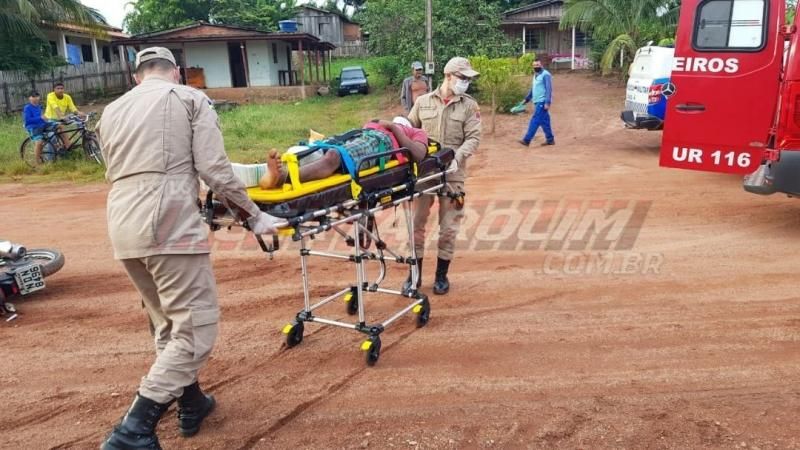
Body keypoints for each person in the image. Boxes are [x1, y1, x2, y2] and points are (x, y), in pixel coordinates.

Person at [96, 47, 280, 450]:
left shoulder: (111, 111)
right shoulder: (189, 98)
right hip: (168, 221)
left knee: (166, 323)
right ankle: (134, 429)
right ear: (177, 73)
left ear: (136, 77)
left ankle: (191, 401)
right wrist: (253, 215)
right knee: (196, 329)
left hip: (122, 224)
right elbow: (213, 167)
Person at [407, 57, 481, 295]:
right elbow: (409, 131)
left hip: (453, 174)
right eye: (463, 78)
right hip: (424, 173)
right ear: (449, 76)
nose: (466, 82)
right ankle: (414, 275)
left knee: (449, 227)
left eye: (469, 79)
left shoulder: (469, 106)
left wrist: (457, 157)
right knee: (416, 224)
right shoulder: (423, 102)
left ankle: (441, 275)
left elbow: (473, 138)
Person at [258, 117, 429, 189]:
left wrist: (393, 127)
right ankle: (272, 171)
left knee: (334, 156)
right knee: (316, 149)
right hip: (359, 134)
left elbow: (419, 154)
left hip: (381, 142)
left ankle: (282, 178)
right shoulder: (380, 122)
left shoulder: (414, 131)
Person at [22, 90, 66, 163]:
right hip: (33, 127)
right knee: (39, 142)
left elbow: (42, 118)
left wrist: (46, 119)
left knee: (59, 125)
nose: (36, 98)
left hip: (42, 125)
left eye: (37, 96)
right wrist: (41, 118)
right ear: (29, 98)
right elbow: (27, 120)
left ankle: (64, 146)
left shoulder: (39, 106)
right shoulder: (27, 107)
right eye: (33, 96)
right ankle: (37, 162)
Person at [519, 59, 555, 147]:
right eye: (534, 65)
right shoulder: (535, 75)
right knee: (545, 121)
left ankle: (527, 140)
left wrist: (547, 102)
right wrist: (526, 99)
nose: (536, 67)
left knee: (535, 120)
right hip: (537, 101)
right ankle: (550, 140)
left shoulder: (545, 75)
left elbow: (548, 89)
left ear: (541, 65)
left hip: (542, 102)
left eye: (538, 65)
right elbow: (533, 89)